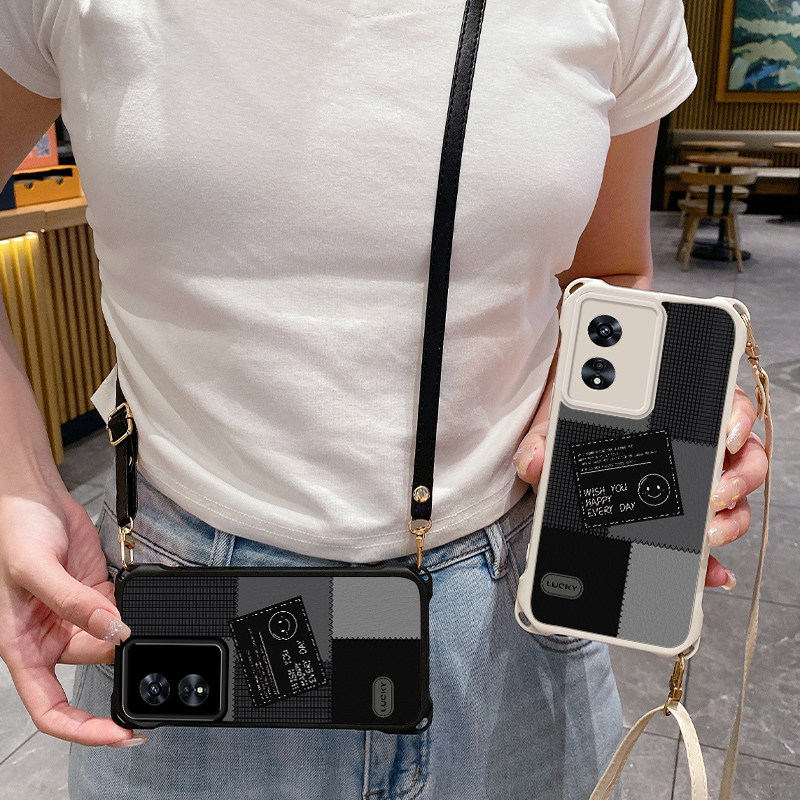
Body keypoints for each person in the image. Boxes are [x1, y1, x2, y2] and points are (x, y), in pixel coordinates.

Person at [0, 1, 769, 798]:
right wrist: (18, 481)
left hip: (511, 613)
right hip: (194, 613)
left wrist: (627, 420)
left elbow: (607, 268)